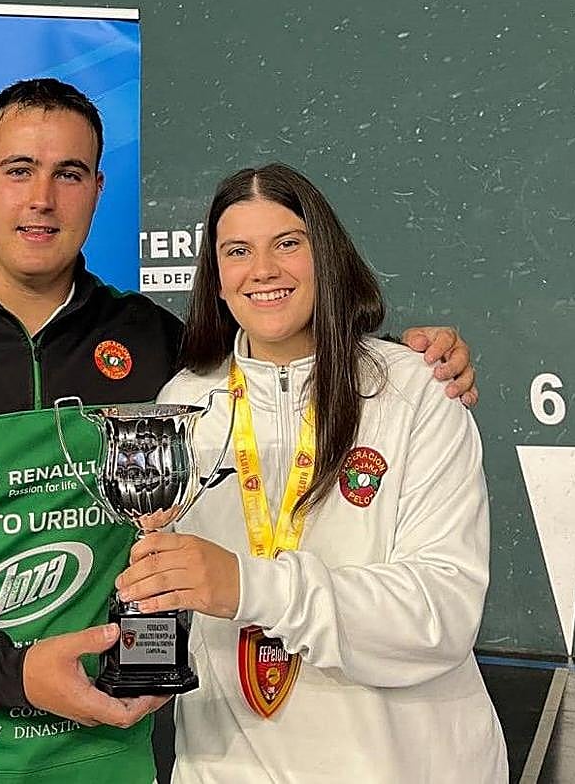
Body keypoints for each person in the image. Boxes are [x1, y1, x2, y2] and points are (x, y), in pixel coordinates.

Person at [0, 80, 480, 783]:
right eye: (19, 170)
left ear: (96, 188)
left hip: (105, 755)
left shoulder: (153, 348)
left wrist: (403, 360)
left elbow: (279, 360)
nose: (41, 199)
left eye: (69, 173)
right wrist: (12, 673)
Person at [116, 163, 508, 782]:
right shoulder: (185, 402)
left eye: (288, 244)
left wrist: (249, 586)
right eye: (237, 251)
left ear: (326, 255)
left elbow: (443, 614)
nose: (263, 270)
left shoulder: (413, 388)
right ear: (216, 280)